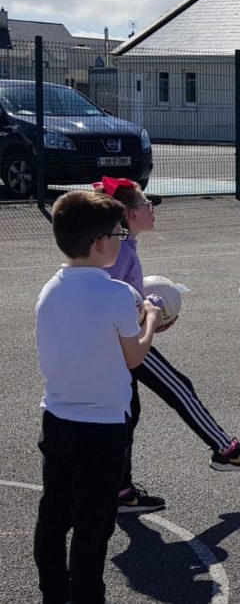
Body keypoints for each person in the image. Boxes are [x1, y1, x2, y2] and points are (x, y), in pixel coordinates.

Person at [94, 176, 240, 515]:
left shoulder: (122, 246)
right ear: (130, 214)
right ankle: (226, 450)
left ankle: (121, 491)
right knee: (179, 388)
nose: (153, 210)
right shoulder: (121, 252)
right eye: (147, 205)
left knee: (127, 414)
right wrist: (148, 312)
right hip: (123, 343)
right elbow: (110, 297)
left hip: (116, 341)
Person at [34, 190, 162, 604]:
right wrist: (153, 317)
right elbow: (134, 357)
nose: (122, 240)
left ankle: (54, 591)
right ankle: (88, 596)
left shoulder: (49, 289)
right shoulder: (117, 294)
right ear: (100, 242)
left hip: (57, 418)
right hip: (103, 427)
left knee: (54, 515)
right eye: (118, 233)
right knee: (93, 524)